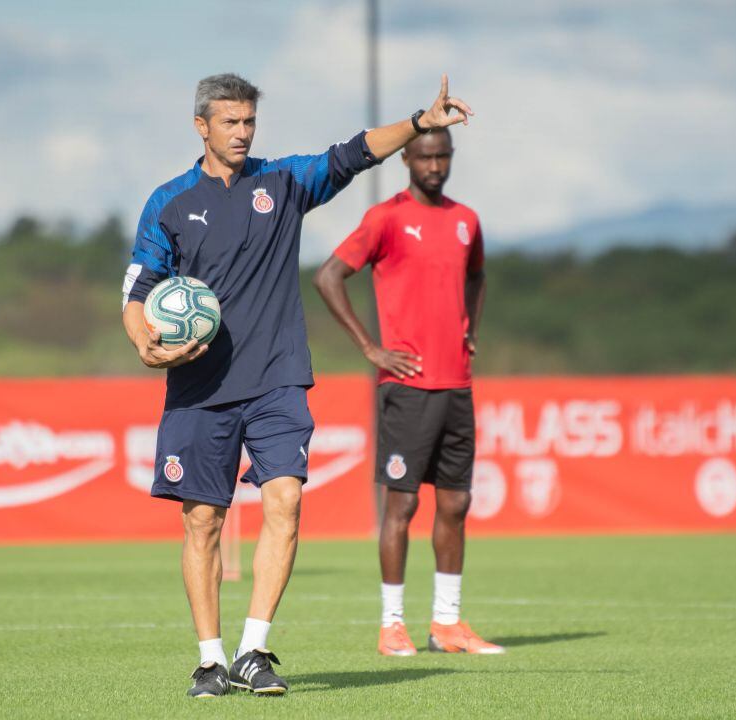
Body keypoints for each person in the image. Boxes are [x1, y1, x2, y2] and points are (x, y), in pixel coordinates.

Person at [121, 73, 473, 697]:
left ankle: (254, 650)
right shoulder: (168, 202)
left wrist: (419, 122)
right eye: (230, 122)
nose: (242, 132)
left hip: (278, 379)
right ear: (201, 125)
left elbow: (355, 152)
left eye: (249, 121)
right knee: (203, 521)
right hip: (198, 387)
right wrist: (144, 341)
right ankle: (210, 660)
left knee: (284, 500)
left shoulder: (281, 182)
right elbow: (138, 293)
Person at [313, 126, 503, 657]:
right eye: (425, 157)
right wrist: (370, 348)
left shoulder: (466, 221)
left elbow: (478, 277)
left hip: (456, 384)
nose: (435, 166)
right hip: (407, 387)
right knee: (401, 506)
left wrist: (471, 329)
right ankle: (391, 625)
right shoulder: (387, 218)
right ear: (407, 160)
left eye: (443, 156)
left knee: (457, 503)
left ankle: (447, 624)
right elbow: (329, 276)